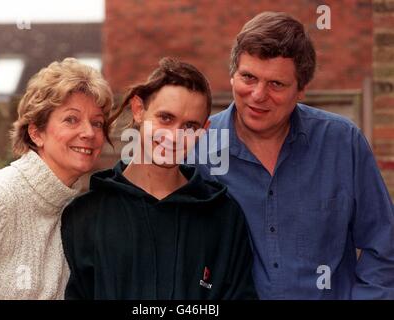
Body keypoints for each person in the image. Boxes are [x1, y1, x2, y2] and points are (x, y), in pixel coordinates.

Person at [194, 11, 394, 299]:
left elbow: (383, 247)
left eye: (276, 84)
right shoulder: (197, 150)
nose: (258, 95)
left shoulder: (342, 143)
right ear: (233, 75)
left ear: (301, 90)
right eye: (248, 77)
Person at [61, 57, 257, 300]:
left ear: (203, 131)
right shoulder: (84, 215)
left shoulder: (224, 216)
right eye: (165, 118)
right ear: (139, 110)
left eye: (189, 127)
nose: (174, 137)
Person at [0, 58, 113, 299]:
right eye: (71, 119)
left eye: (97, 123)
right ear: (36, 133)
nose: (89, 133)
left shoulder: (77, 212)